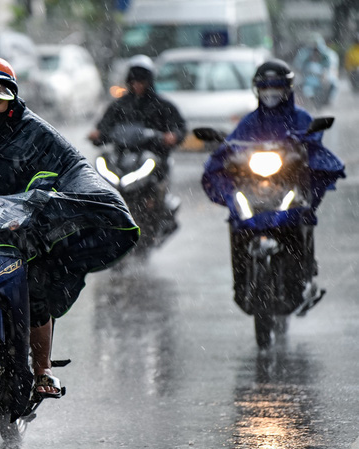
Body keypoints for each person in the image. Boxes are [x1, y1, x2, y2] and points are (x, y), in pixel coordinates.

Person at [0, 56, 139, 398]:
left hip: (21, 235)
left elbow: (75, 167)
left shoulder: (38, 133)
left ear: (12, 99)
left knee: (36, 291)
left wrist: (82, 195)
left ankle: (42, 368)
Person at [202, 59, 345, 313]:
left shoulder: (302, 118)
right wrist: (224, 147)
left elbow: (313, 143)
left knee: (301, 213)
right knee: (237, 220)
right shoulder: (249, 121)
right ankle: (242, 285)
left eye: (276, 86)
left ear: (287, 89)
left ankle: (303, 276)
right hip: (257, 190)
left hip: (289, 186)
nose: (271, 92)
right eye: (265, 87)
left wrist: (299, 149)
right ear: (257, 90)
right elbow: (232, 144)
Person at [88, 55, 186, 160]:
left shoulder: (162, 106)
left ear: (149, 81)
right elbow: (105, 125)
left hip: (154, 155)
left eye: (141, 81)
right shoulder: (119, 105)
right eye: (133, 81)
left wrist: (173, 136)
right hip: (122, 156)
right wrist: (98, 135)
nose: (137, 85)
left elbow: (179, 127)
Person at [293, 33, 339, 105]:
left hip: (323, 77)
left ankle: (327, 101)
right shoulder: (304, 54)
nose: (315, 51)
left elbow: (332, 68)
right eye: (313, 47)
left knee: (333, 82)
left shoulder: (328, 55)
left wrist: (325, 74)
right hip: (308, 78)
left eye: (316, 47)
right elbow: (297, 66)